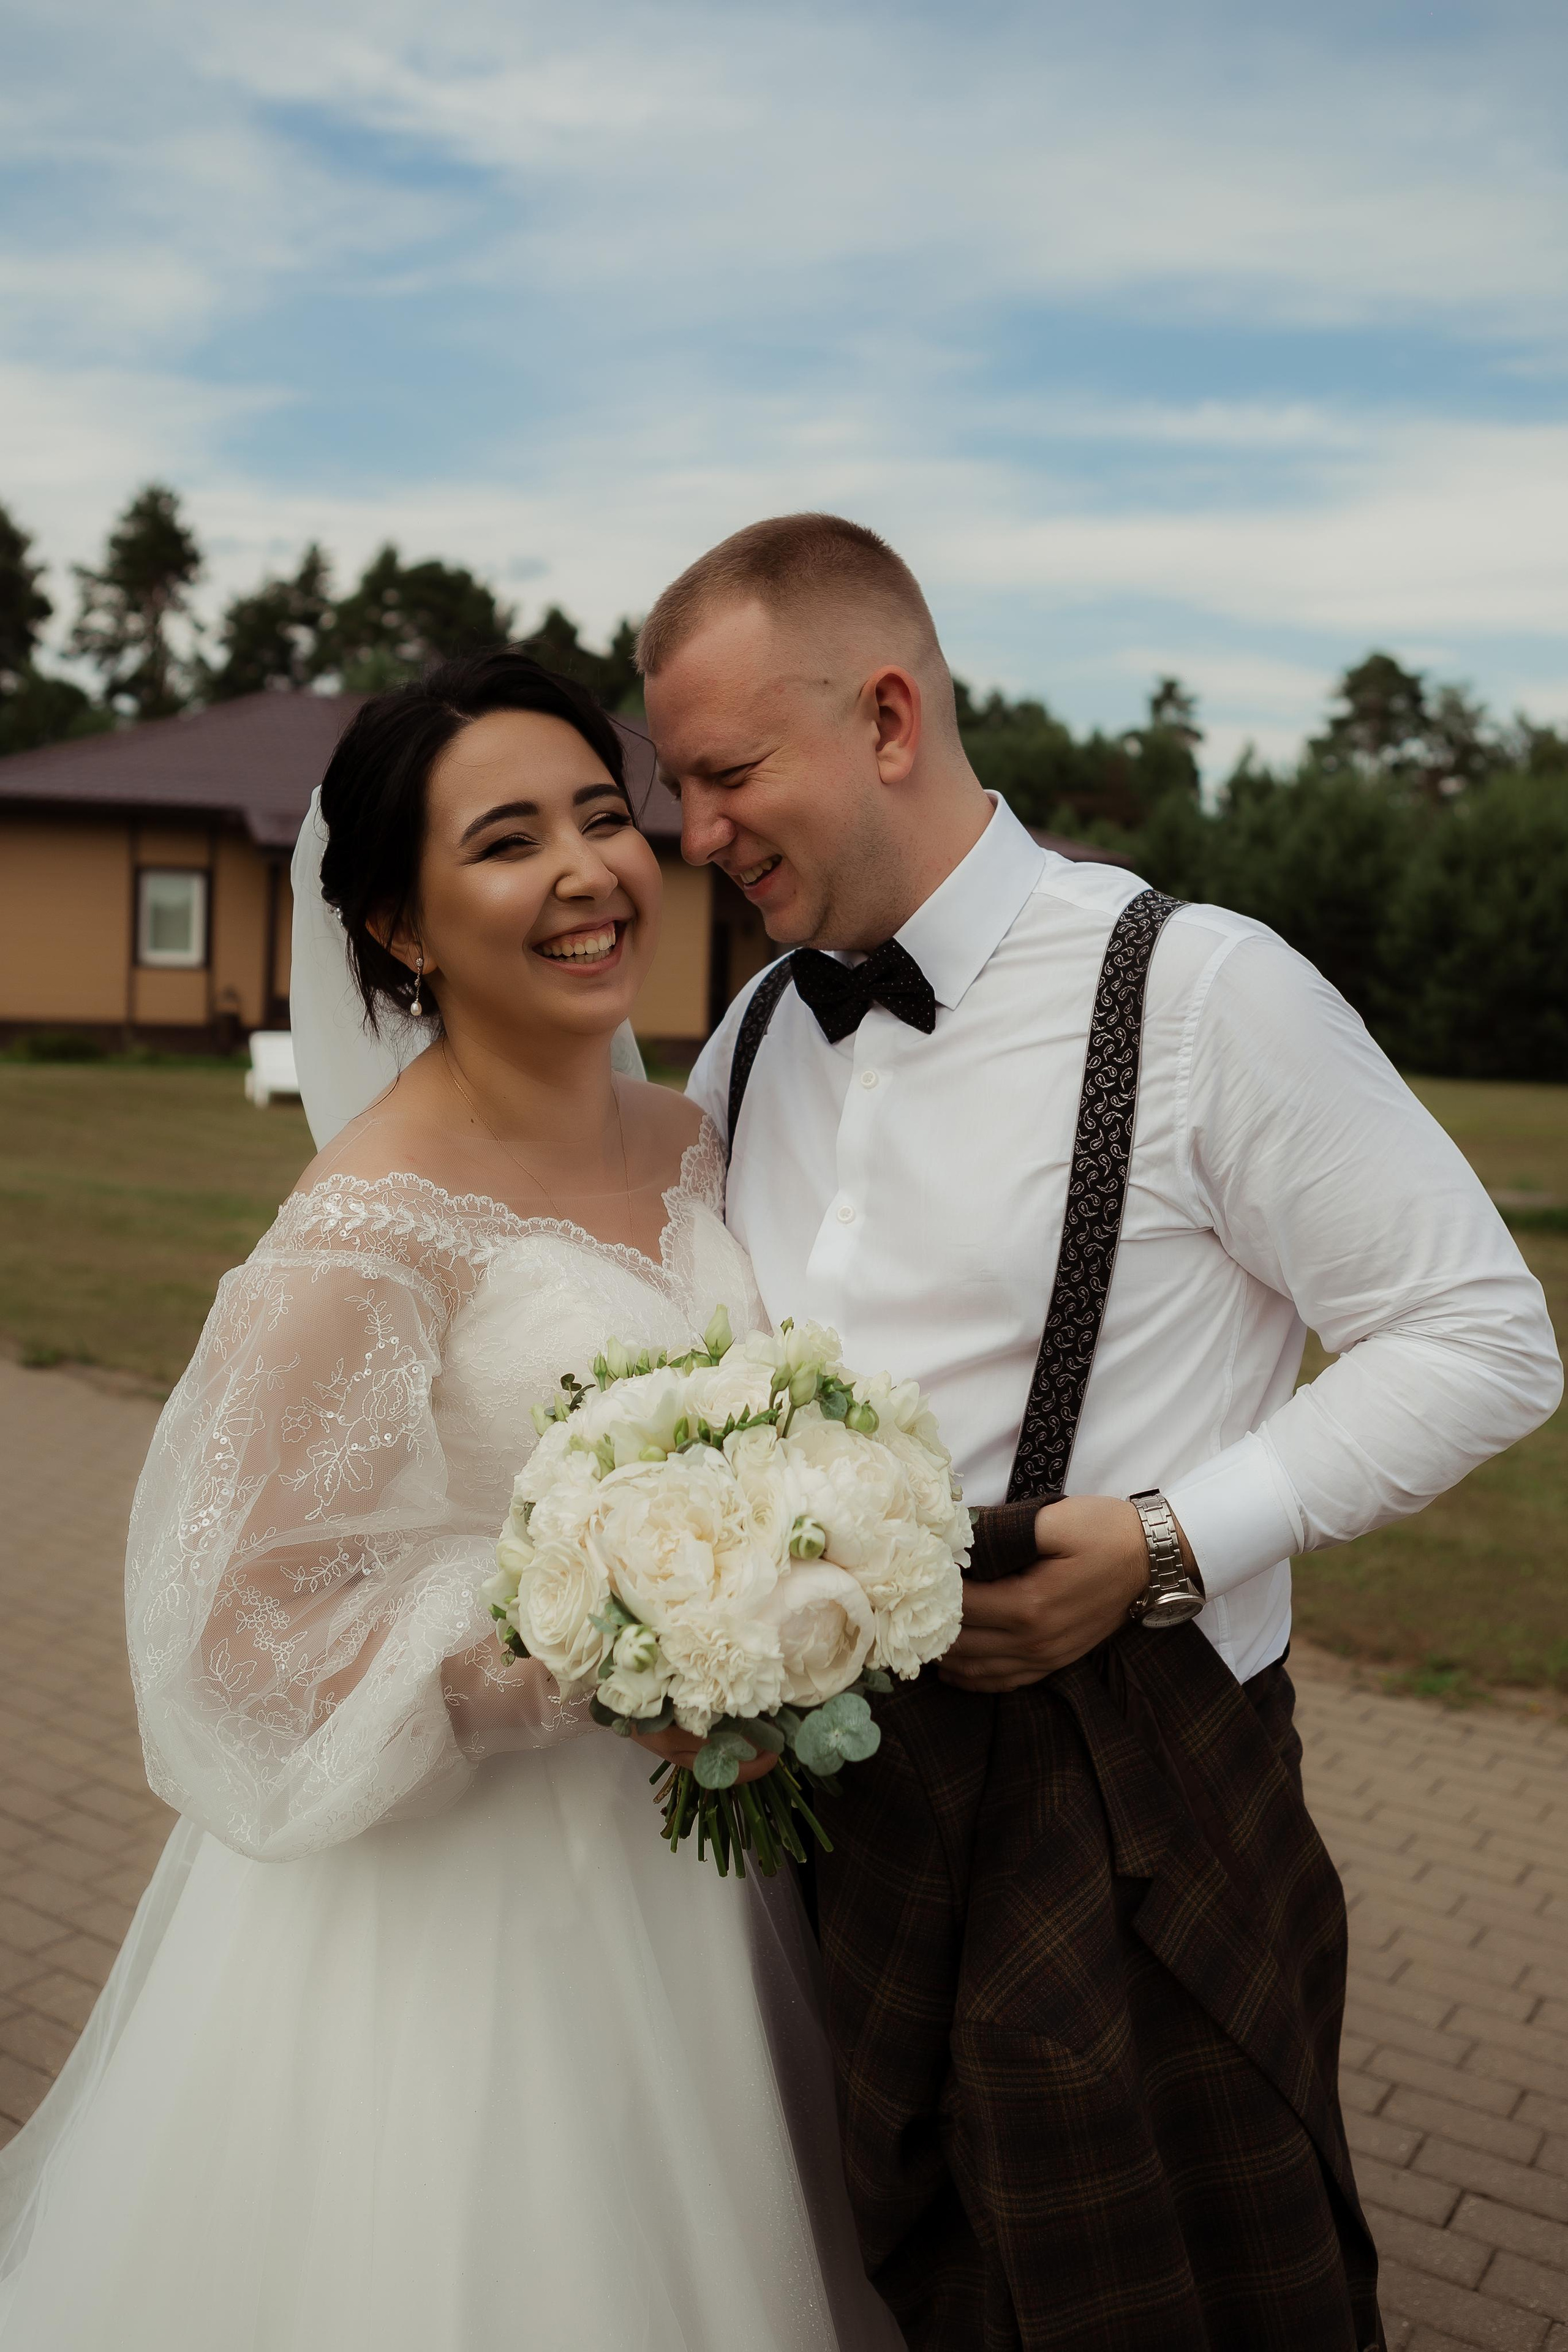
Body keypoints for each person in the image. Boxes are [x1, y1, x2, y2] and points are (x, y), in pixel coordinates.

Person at [644, 513, 1566, 2352]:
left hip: (1139, 1791)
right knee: (914, 2264)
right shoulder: (747, 1036)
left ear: (889, 715)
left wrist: (1164, 1543)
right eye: (675, 786)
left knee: (1192, 2294)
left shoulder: (1207, 990)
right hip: (846, 1791)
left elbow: (1482, 1332)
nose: (692, 834)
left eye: (727, 772)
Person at [0, 650, 905, 2352]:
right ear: (400, 928)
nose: (586, 872)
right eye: (506, 840)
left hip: (709, 1881)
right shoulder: (366, 1226)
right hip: (474, 1909)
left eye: (600, 817)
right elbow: (240, 1629)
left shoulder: (691, 1137)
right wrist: (605, 1650)